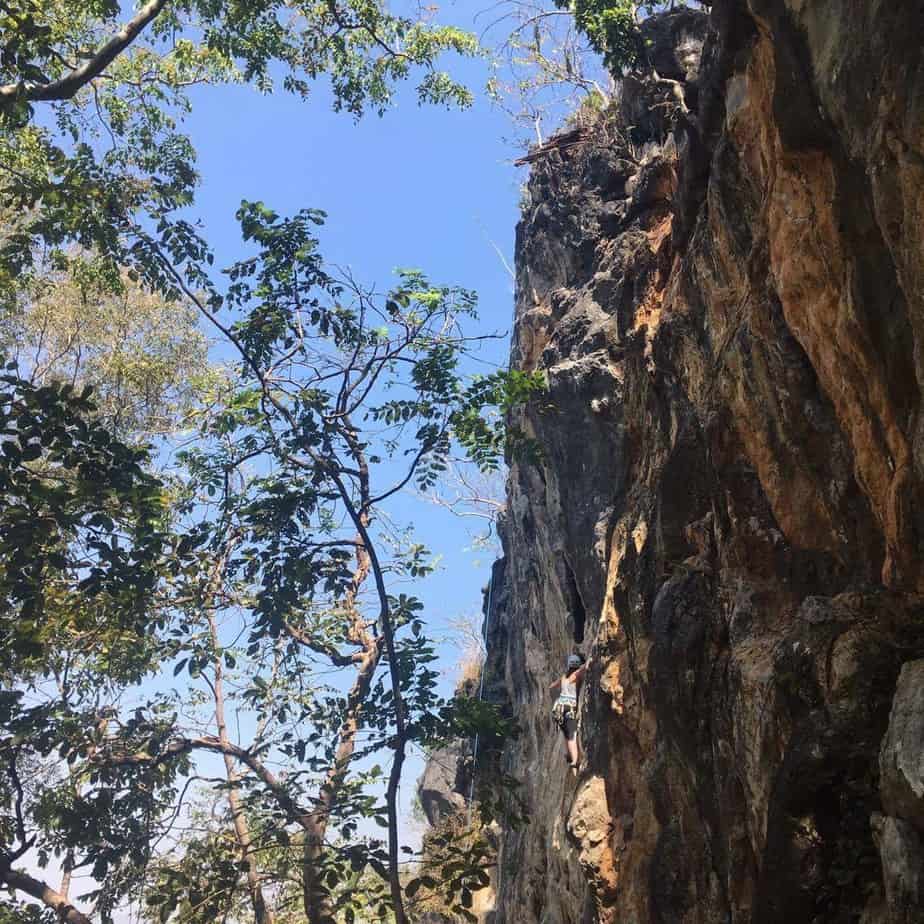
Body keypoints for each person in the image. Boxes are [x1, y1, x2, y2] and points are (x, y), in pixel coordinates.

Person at [550, 653, 586, 772]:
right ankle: (575, 761)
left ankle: (569, 755)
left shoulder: (563, 677)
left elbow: (551, 687)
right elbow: (586, 667)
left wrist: (557, 697)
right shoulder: (576, 674)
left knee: (566, 733)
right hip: (569, 707)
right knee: (572, 736)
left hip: (558, 708)